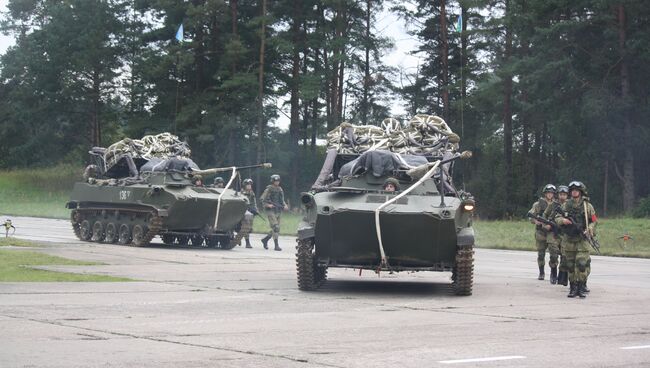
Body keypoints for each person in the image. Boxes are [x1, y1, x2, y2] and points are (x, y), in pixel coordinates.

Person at [554, 181, 597, 298]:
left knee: (582, 264)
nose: (574, 192)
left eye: (576, 190)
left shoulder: (587, 206)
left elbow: (594, 220)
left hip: (582, 239)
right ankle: (573, 288)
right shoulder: (566, 205)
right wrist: (563, 221)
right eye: (572, 190)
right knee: (570, 265)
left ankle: (581, 286)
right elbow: (557, 217)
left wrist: (590, 229)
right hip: (569, 239)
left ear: (581, 192)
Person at [527, 184, 560, 282]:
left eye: (551, 193)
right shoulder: (538, 204)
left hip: (552, 232)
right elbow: (531, 215)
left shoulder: (556, 204)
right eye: (548, 193)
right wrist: (536, 221)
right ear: (545, 193)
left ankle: (553, 273)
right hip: (541, 232)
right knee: (541, 254)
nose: (550, 195)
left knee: (554, 253)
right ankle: (541, 272)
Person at [544, 185, 569, 286]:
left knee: (565, 256)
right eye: (561, 194)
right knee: (553, 253)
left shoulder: (569, 205)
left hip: (565, 234)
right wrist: (546, 225)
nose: (562, 196)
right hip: (553, 233)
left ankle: (562, 276)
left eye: (564, 195)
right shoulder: (553, 205)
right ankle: (553, 272)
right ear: (558, 195)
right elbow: (544, 217)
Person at [259, 174, 287, 251]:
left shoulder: (280, 189)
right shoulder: (269, 189)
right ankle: (276, 245)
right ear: (272, 181)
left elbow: (282, 199)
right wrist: (268, 205)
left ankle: (265, 240)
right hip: (270, 211)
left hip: (278, 210)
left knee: (276, 229)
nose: (277, 182)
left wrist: (284, 205)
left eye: (278, 181)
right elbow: (262, 199)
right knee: (276, 227)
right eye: (275, 181)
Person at [234, 178, 257, 248]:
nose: (249, 186)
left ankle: (241, 239)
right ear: (245, 185)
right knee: (243, 227)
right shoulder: (241, 193)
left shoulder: (252, 193)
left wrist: (255, 209)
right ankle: (244, 241)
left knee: (248, 227)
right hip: (242, 211)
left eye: (250, 185)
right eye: (248, 185)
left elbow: (254, 202)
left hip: (249, 212)